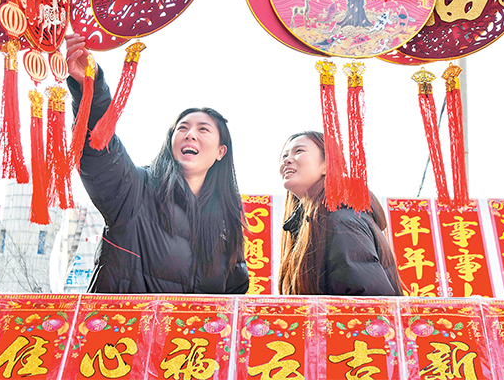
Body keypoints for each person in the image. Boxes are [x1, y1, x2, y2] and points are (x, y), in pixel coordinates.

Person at [65, 33, 249, 294]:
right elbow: (100, 150)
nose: (190, 134)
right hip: (121, 322)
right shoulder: (136, 190)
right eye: (182, 128)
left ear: (221, 152)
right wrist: (91, 87)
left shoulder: (227, 222)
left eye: (203, 129)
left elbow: (233, 297)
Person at [278, 131, 403, 296]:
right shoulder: (314, 222)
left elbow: (369, 300)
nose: (287, 160)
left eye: (299, 151)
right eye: (284, 155)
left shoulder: (341, 220)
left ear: (327, 166)